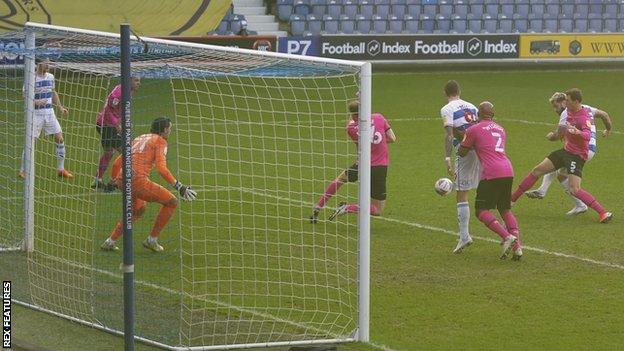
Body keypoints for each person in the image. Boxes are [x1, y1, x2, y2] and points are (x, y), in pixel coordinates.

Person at [511, 89, 613, 224]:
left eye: (568, 100)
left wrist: (562, 135)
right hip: (567, 151)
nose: (565, 103)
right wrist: (608, 129)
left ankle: (603, 212)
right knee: (538, 170)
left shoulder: (580, 116)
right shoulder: (580, 109)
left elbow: (582, 135)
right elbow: (604, 115)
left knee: (574, 189)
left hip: (578, 155)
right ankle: (511, 201)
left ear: (575, 101)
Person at [100, 117, 197, 252]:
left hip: (122, 179)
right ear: (164, 130)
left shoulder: (140, 137)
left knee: (138, 210)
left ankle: (110, 241)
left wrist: (113, 180)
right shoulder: (160, 141)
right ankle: (152, 240)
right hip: (137, 181)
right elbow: (162, 169)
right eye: (169, 129)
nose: (170, 131)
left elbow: (118, 161)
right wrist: (179, 187)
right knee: (172, 202)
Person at [310, 100, 396, 222]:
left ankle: (318, 207)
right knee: (377, 210)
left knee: (339, 180)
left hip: (361, 166)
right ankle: (348, 208)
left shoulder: (351, 128)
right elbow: (392, 138)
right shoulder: (379, 117)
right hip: (380, 168)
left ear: (353, 115)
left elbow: (352, 120)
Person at [458, 102, 520, 260]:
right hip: (508, 169)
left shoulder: (473, 129)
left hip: (491, 173)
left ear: (478, 114)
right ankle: (518, 248)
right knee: (505, 209)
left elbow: (462, 152)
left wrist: (463, 135)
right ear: (493, 114)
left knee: (481, 210)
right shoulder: (501, 129)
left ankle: (507, 237)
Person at [440, 80, 480, 254]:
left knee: (462, 193)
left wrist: (447, 158)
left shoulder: (447, 109)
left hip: (466, 152)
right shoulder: (472, 106)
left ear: (445, 93)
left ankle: (464, 236)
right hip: (483, 150)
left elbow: (449, 136)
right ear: (459, 90)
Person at [18, 58, 73, 179]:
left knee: (59, 138)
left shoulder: (51, 77)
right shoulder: (31, 77)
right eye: (46, 63)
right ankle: (22, 170)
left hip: (49, 112)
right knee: (31, 142)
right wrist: (36, 102)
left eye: (49, 63)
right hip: (35, 114)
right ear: (39, 63)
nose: (48, 65)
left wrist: (60, 107)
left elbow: (53, 92)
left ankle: (61, 169)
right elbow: (24, 95)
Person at [92, 76, 141, 190]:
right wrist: (117, 126)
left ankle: (97, 180)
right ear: (128, 80)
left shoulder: (127, 91)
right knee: (127, 151)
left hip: (105, 125)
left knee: (109, 153)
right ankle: (115, 182)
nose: (139, 83)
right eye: (136, 80)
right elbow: (109, 109)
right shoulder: (119, 92)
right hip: (106, 126)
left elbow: (119, 110)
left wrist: (125, 122)